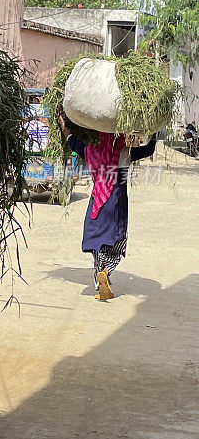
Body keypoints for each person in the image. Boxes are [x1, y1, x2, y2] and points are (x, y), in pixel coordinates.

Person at [58, 112, 156, 301]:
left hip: (96, 202)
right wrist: (153, 133)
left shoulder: (89, 151)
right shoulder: (124, 152)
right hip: (116, 202)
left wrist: (63, 122)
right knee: (116, 239)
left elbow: (71, 140)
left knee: (98, 243)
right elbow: (148, 150)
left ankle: (100, 279)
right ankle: (106, 272)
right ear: (117, 138)